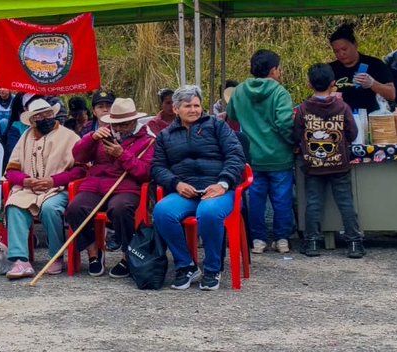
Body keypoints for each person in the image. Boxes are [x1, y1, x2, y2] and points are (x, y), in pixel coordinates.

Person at [152, 85, 246, 291]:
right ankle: (185, 265)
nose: (194, 110)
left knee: (208, 211)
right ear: (176, 109)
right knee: (162, 211)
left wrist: (223, 184)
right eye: (188, 106)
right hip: (185, 191)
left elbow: (236, 156)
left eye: (197, 105)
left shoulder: (218, 126)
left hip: (219, 189)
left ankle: (213, 268)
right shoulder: (165, 136)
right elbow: (157, 167)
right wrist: (176, 183)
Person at [65, 98, 154, 278]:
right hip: (95, 185)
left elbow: (146, 173)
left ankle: (127, 256)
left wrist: (123, 155)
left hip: (126, 187)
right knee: (74, 208)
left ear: (135, 121)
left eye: (125, 124)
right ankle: (94, 253)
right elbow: (79, 156)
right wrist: (91, 138)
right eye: (116, 124)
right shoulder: (101, 135)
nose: (119, 129)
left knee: (120, 209)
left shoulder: (148, 141)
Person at [2, 99, 81, 279]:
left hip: (58, 189)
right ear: (31, 120)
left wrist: (53, 180)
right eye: (39, 116)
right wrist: (26, 181)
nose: (45, 118)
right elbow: (11, 170)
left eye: (48, 114)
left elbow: (80, 170)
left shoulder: (70, 137)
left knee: (50, 208)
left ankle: (56, 255)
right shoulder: (25, 137)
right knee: (14, 205)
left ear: (54, 114)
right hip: (29, 189)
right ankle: (20, 260)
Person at [226, 50, 295, 255]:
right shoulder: (279, 92)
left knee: (255, 199)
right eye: (279, 68)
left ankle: (258, 240)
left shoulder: (238, 91)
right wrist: (292, 141)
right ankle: (282, 239)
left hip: (252, 157)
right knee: (282, 199)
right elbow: (285, 122)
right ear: (273, 70)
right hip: (279, 156)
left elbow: (231, 115)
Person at [293, 63, 362, 258]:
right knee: (346, 203)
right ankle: (354, 243)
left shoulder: (303, 109)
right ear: (333, 84)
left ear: (309, 84)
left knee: (313, 203)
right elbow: (353, 132)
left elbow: (296, 133)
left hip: (313, 165)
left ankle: (312, 242)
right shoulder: (342, 106)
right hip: (339, 163)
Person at [328, 22, 396, 113]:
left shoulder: (375, 64)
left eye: (344, 49)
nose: (341, 54)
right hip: (341, 118)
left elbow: (391, 94)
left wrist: (372, 84)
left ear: (355, 45)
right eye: (336, 51)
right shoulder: (330, 69)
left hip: (371, 117)